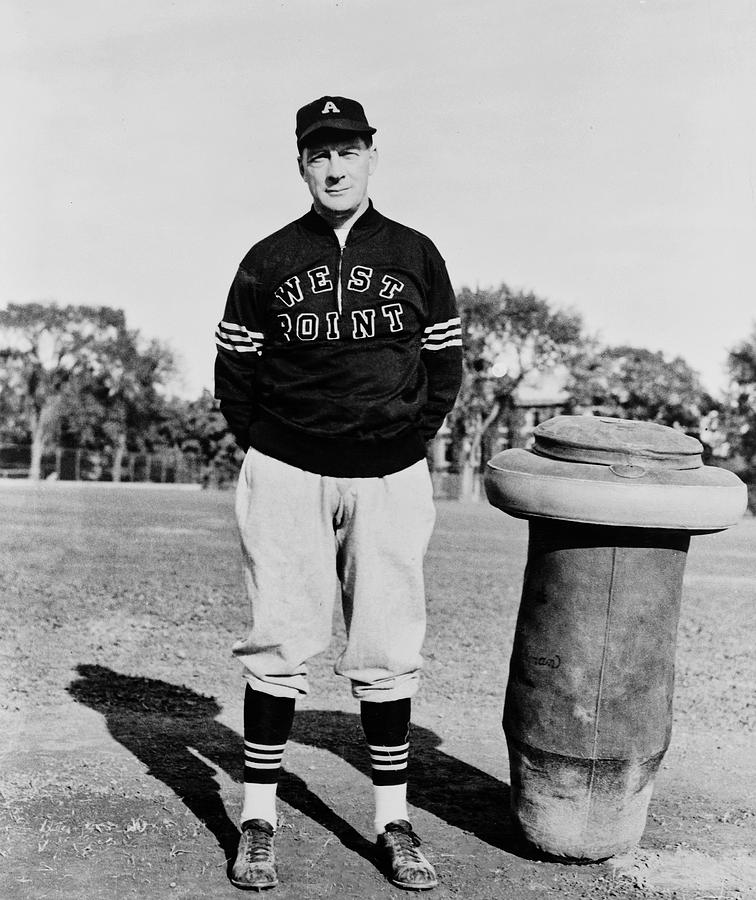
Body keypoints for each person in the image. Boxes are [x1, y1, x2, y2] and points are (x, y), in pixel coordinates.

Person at [214, 95, 462, 891]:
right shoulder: (269, 258)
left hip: (389, 473)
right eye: (319, 152)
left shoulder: (416, 253)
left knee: (387, 647)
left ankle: (392, 820)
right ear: (300, 162)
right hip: (287, 469)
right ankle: (259, 817)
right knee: (279, 639)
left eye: (347, 149)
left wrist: (405, 437)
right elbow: (236, 370)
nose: (333, 165)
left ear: (370, 156)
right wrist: (272, 446)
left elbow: (444, 366)